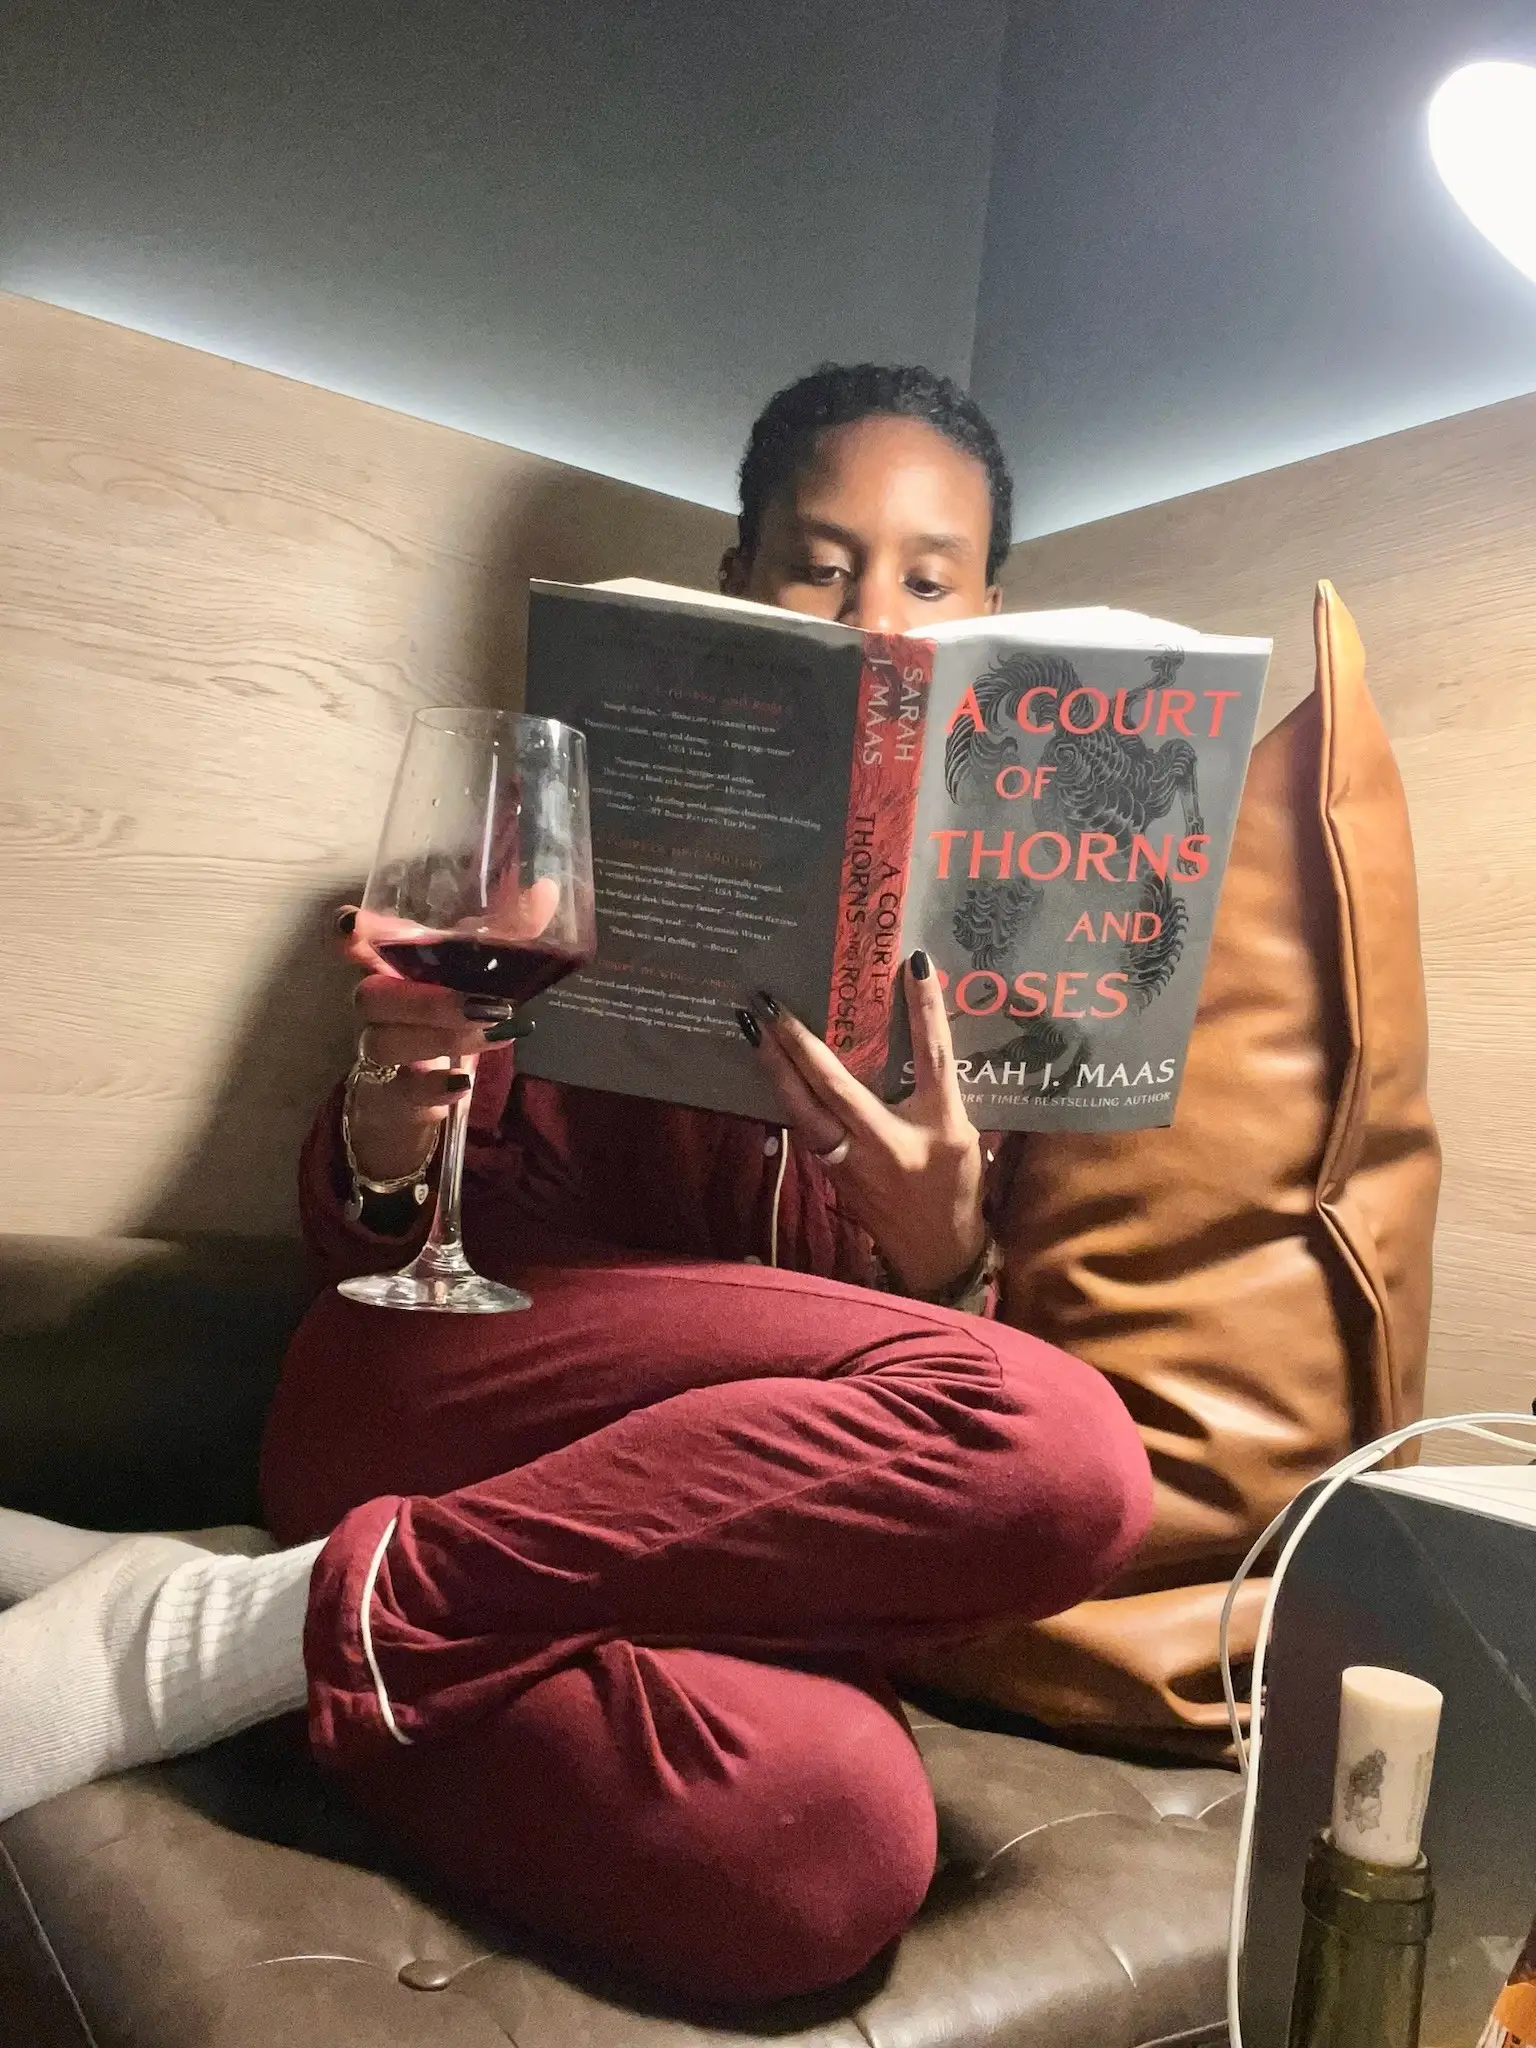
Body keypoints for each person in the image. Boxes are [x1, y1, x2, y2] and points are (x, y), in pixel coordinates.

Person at [0, 366, 1152, 2005]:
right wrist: (392, 1106)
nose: (872, 619)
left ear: (992, 616)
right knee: (1064, 1444)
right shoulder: (557, 824)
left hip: (683, 1551)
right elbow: (371, 1240)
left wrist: (943, 1255)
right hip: (453, 1385)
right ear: (740, 581)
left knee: (828, 1852)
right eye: (821, 567)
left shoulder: (1024, 935)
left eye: (927, 578)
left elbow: (927, 1446)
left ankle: (252, 1620)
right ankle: (214, 1640)